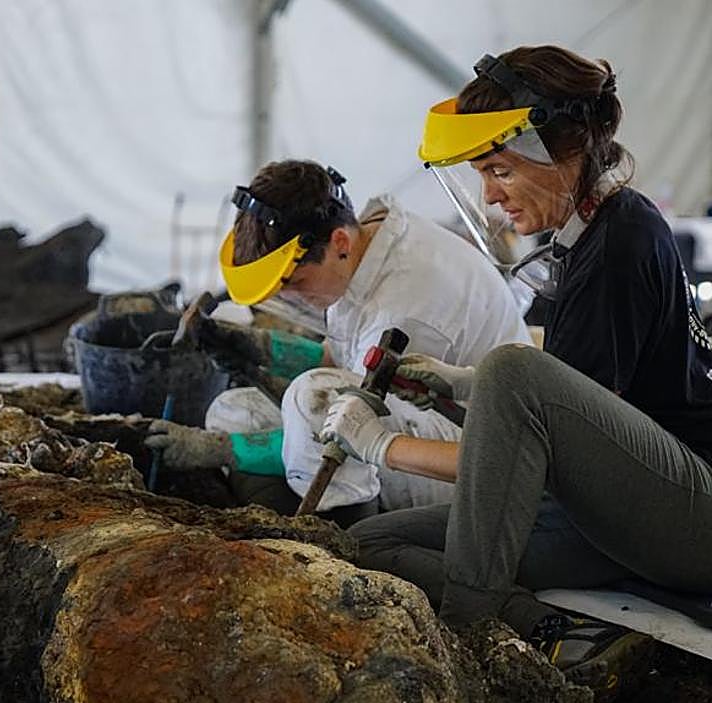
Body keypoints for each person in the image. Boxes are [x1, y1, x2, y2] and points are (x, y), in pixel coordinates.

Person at [321, 46, 712, 691]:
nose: (490, 196)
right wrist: (455, 388)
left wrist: (381, 444)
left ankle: (472, 640)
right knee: (370, 543)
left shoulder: (620, 240)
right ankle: (557, 635)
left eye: (499, 170)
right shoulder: (589, 235)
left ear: (563, 150)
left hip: (689, 509)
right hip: (623, 505)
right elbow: (578, 407)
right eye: (482, 175)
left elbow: (548, 433)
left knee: (512, 368)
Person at [145, 160, 528, 521]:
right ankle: (286, 506)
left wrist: (220, 450)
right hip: (416, 422)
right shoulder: (366, 247)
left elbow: (351, 420)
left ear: (339, 241)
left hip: (474, 459)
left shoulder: (404, 306)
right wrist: (260, 348)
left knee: (312, 398)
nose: (293, 299)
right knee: (236, 410)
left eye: (296, 283)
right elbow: (342, 359)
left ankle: (348, 531)